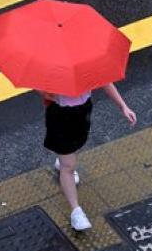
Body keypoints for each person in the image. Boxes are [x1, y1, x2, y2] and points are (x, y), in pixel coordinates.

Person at [40, 83, 136, 230]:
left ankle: (63, 163)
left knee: (76, 147)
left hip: (82, 111)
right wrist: (46, 92)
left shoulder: (84, 64)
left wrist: (123, 106)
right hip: (59, 115)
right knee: (69, 166)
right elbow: (40, 88)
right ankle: (76, 211)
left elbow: (105, 81)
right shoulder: (51, 69)